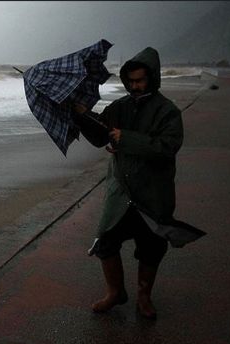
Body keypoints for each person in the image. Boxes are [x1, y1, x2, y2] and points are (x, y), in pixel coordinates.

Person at [72, 47, 183, 319]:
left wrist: (128, 139)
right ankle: (115, 292)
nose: (134, 86)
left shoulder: (168, 111)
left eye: (140, 80)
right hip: (120, 191)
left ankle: (144, 297)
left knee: (151, 248)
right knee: (105, 242)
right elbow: (101, 136)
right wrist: (82, 114)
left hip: (152, 192)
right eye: (130, 81)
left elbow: (167, 147)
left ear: (152, 78)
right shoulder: (119, 107)